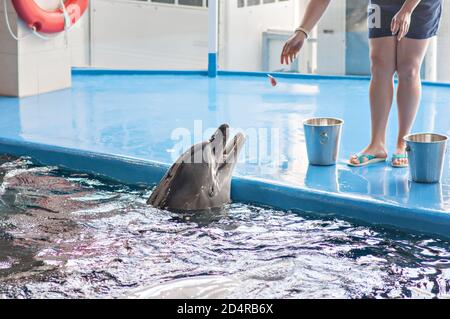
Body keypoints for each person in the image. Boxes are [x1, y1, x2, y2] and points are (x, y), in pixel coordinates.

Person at [281, 0, 442, 168]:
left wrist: (407, 10)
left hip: (419, 4)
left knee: (408, 68)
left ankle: (402, 144)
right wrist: (302, 31)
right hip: (383, 4)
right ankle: (377, 144)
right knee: (379, 64)